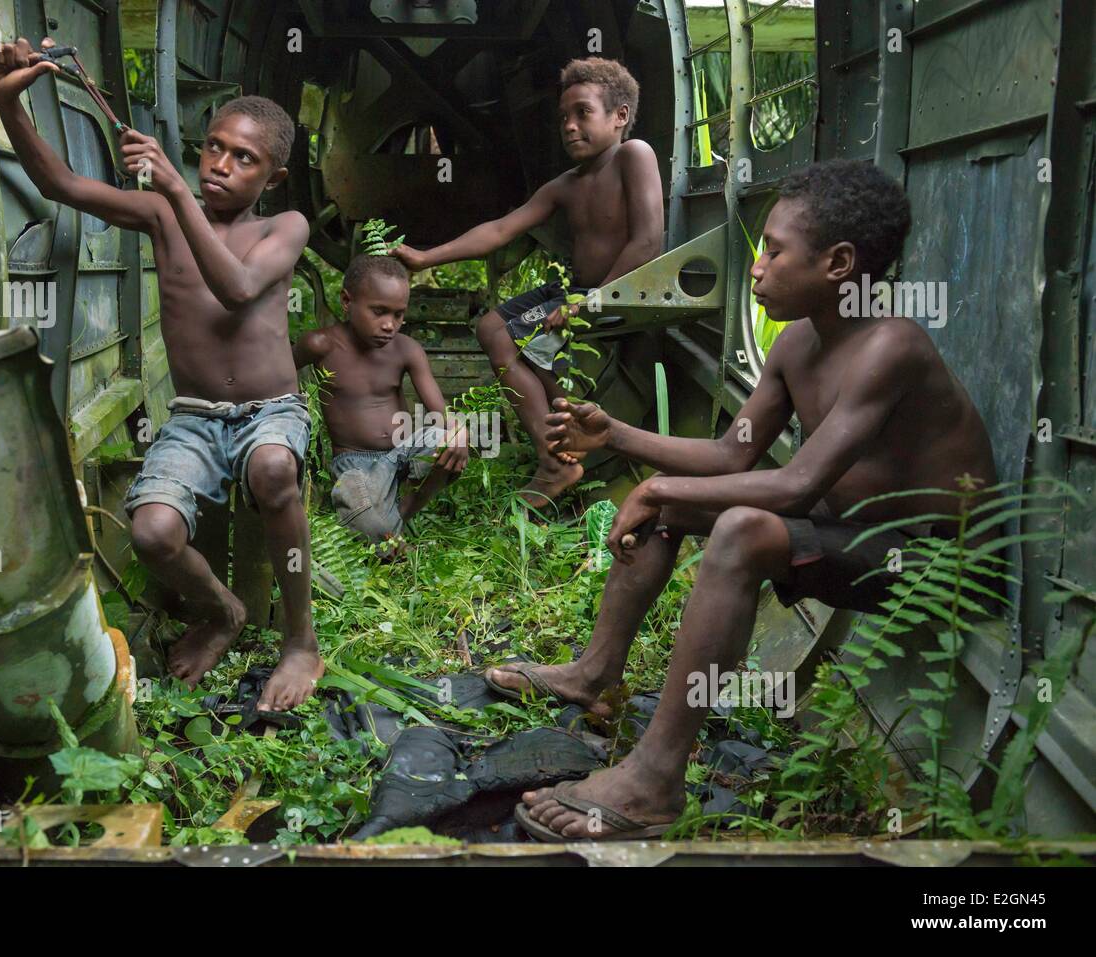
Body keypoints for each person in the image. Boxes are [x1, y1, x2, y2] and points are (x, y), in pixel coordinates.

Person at [487, 159, 999, 840]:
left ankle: (654, 782)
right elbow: (733, 453)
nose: (756, 268)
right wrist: (618, 435)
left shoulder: (890, 347)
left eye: (775, 250)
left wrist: (659, 483)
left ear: (839, 263)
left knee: (741, 530)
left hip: (934, 564)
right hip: (853, 530)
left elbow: (796, 485)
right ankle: (592, 674)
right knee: (678, 508)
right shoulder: (796, 345)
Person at [0, 38, 321, 710]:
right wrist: (8, 102)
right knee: (152, 532)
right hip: (195, 415)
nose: (220, 165)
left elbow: (235, 287)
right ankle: (223, 612)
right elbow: (62, 185)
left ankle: (301, 640)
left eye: (244, 158)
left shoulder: (285, 226)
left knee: (275, 469)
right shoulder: (165, 214)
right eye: (214, 147)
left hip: (270, 409)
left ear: (273, 179)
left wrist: (172, 186)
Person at [394, 57, 663, 508]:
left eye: (583, 113)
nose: (570, 126)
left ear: (620, 117)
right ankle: (557, 449)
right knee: (490, 328)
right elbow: (500, 230)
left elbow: (648, 241)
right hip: (573, 292)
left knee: (520, 338)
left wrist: (591, 302)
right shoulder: (566, 184)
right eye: (563, 118)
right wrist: (425, 257)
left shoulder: (633, 156)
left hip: (616, 292)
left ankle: (558, 453)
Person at [294, 255, 468, 551]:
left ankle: (402, 513)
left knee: (449, 439)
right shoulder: (321, 345)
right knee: (365, 517)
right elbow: (278, 377)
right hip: (355, 464)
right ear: (347, 302)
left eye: (398, 315)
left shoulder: (406, 349)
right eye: (379, 312)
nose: (390, 325)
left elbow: (440, 413)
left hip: (405, 451)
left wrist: (458, 430)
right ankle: (389, 529)